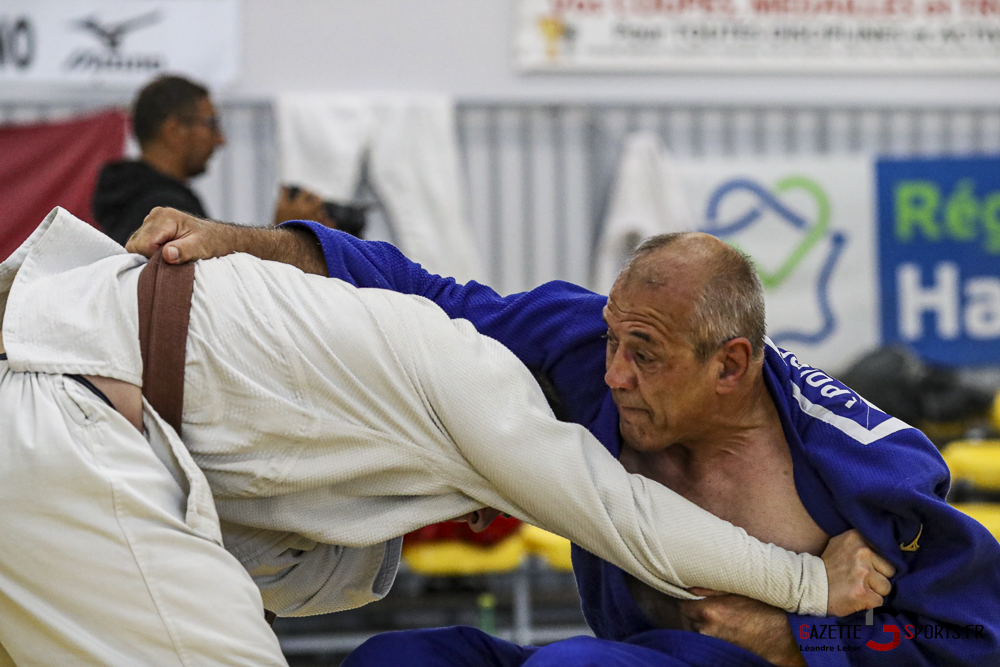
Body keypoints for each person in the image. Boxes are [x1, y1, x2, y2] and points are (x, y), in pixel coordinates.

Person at [0, 208, 887, 667]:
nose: (614, 376)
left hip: (63, 393)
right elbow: (624, 515)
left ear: (731, 364)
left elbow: (967, 640)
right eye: (611, 344)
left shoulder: (871, 466)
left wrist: (809, 646)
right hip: (67, 421)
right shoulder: (484, 377)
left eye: (642, 352)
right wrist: (810, 584)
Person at [91, 74, 328, 246]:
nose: (221, 140)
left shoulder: (131, 199)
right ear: (174, 130)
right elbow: (210, 293)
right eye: (211, 124)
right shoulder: (164, 209)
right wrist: (283, 236)